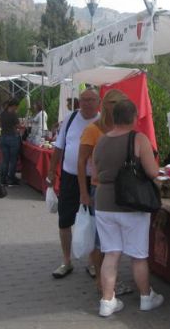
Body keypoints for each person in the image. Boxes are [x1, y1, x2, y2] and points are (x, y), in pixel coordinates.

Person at [92, 99, 163, 317]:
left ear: (113, 118)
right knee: (138, 255)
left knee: (111, 253)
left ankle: (107, 300)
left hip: (104, 202)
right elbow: (152, 172)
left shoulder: (101, 141)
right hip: (131, 202)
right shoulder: (138, 139)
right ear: (133, 118)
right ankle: (145, 297)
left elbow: (95, 176)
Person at [78, 89, 130, 294]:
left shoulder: (122, 127)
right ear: (106, 104)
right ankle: (102, 283)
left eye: (122, 102)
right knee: (101, 240)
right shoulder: (94, 129)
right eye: (115, 102)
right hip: (99, 189)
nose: (118, 106)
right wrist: (83, 192)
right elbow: (81, 162)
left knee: (112, 240)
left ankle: (108, 281)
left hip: (120, 190)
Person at [46, 89, 100, 279]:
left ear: (98, 102)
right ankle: (66, 261)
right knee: (65, 219)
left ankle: (92, 263)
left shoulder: (102, 122)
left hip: (93, 180)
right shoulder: (70, 119)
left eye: (91, 100)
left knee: (93, 220)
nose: (87, 103)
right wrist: (52, 172)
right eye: (83, 100)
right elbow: (58, 148)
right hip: (69, 177)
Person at [0, 99, 21, 186]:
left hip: (3, 137)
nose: (17, 108)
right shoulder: (13, 115)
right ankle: (11, 178)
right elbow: (18, 126)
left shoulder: (2, 114)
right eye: (17, 106)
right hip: (12, 138)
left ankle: (3, 179)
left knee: (5, 160)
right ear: (14, 106)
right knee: (13, 160)